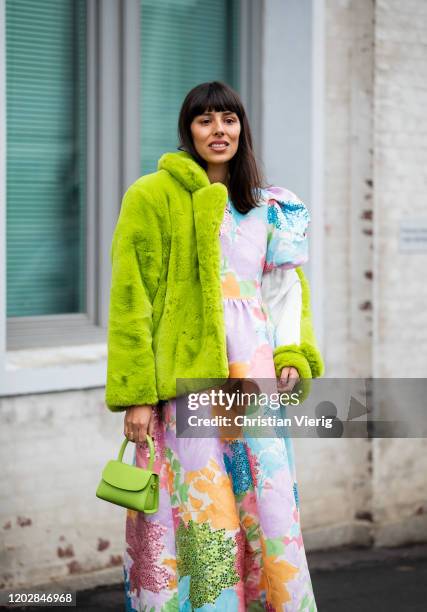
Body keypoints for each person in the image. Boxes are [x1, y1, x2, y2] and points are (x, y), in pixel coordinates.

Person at [105, 81, 324, 611]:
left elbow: (285, 290)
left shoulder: (272, 207)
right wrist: (138, 393)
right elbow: (133, 301)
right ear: (188, 131)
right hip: (188, 376)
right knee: (201, 504)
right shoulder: (154, 196)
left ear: (242, 128)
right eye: (205, 121)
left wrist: (291, 353)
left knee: (264, 500)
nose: (218, 130)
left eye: (228, 119)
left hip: (253, 373)